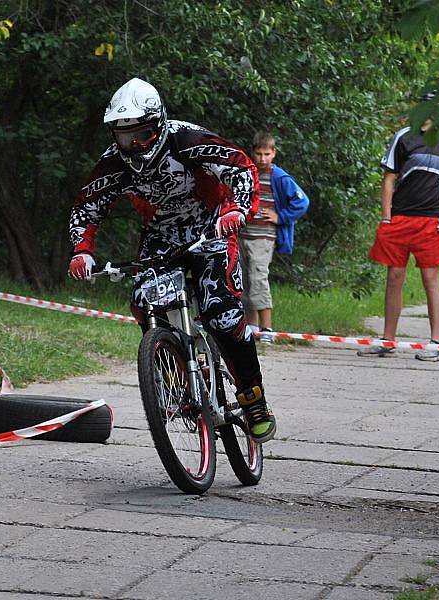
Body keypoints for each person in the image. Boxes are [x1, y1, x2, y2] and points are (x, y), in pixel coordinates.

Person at [67, 77, 276, 443]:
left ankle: (253, 397)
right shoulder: (113, 163)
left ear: (158, 123)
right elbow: (87, 206)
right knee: (141, 300)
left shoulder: (187, 139)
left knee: (222, 315)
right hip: (161, 234)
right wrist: (81, 250)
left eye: (140, 134)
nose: (132, 144)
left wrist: (237, 209)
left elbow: (241, 167)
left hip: (209, 226)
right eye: (123, 136)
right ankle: (175, 375)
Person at [358, 89, 439, 362]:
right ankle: (387, 340)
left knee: (430, 279)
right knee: (394, 277)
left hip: (431, 220)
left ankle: (436, 344)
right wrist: (386, 216)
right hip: (401, 217)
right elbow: (389, 178)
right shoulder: (403, 137)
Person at [238, 131, 310, 344]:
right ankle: (251, 326)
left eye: (267, 154)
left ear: (274, 153)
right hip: (243, 234)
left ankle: (266, 327)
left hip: (264, 236)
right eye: (259, 153)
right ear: (253, 153)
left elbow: (302, 202)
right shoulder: (247, 173)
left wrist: (281, 217)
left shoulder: (279, 177)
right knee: (244, 280)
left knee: (259, 277)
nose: (262, 158)